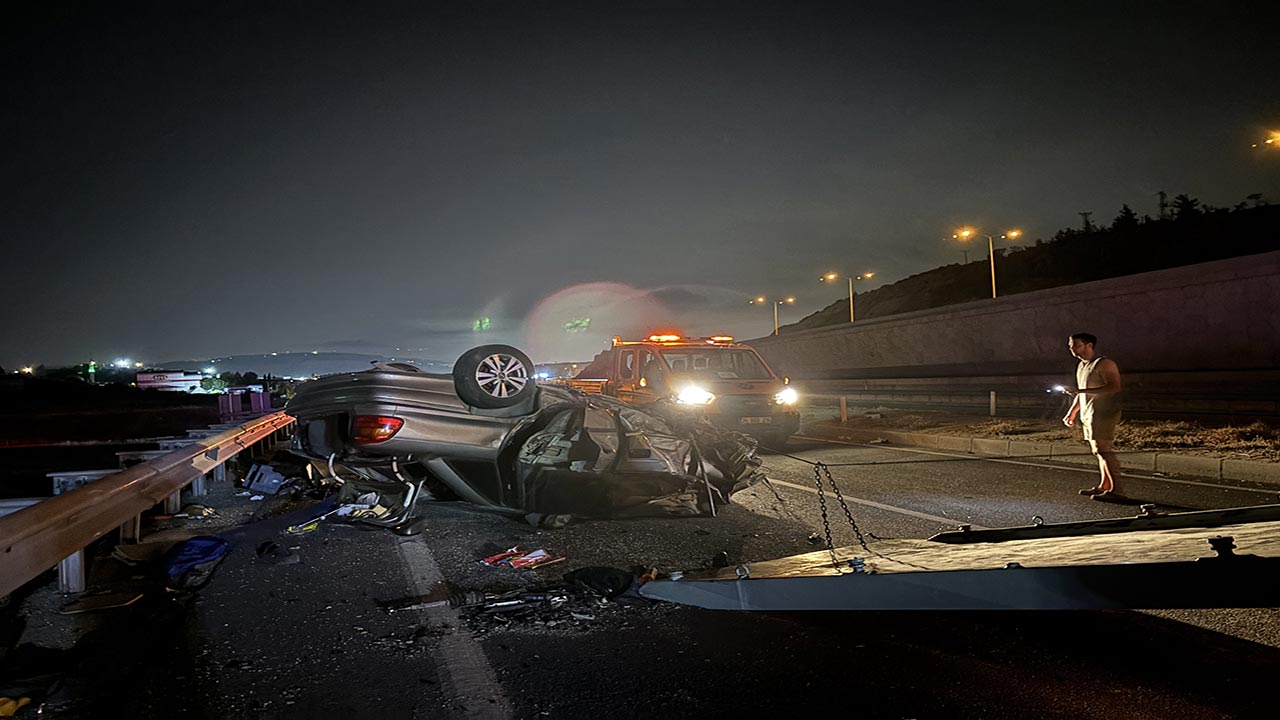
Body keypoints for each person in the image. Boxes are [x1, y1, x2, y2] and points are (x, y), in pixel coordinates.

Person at [1061, 333, 1125, 501]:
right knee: (1097, 451)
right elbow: (1082, 390)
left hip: (1103, 412)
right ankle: (1104, 486)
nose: (1072, 349)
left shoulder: (1104, 363)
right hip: (1089, 413)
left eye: (1076, 345)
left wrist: (1080, 392)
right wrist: (1072, 412)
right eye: (1070, 345)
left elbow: (1114, 387)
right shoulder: (1082, 365)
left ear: (1089, 345)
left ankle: (1117, 490)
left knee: (1103, 450)